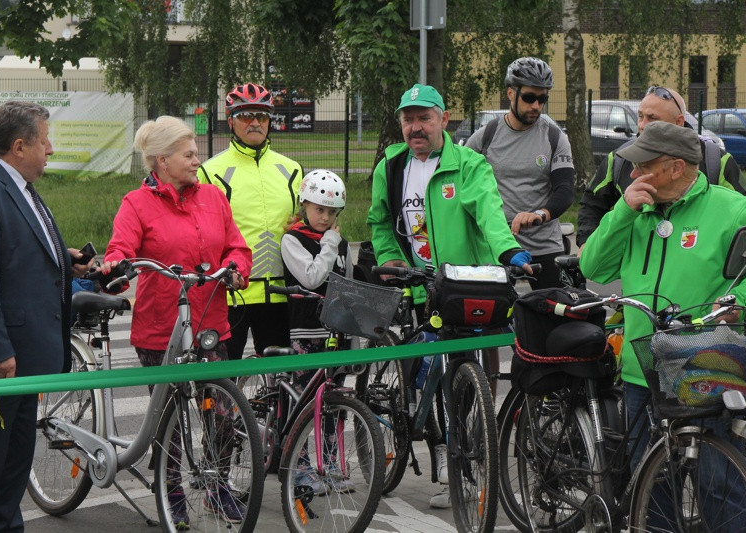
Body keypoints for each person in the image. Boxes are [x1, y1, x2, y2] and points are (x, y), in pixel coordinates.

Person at [579, 120, 746, 531]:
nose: (633, 174)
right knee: (653, 483)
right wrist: (622, 211)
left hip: (707, 365)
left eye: (644, 165)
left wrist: (741, 300)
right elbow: (592, 266)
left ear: (676, 167)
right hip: (640, 369)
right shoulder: (633, 210)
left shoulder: (733, 210)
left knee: (718, 484)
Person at [367, 83, 532, 509]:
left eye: (424, 118)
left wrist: (508, 250)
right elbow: (380, 222)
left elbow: (490, 214)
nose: (416, 127)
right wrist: (391, 259)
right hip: (419, 286)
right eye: (408, 119)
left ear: (443, 118)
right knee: (428, 376)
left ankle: (469, 456)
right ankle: (441, 455)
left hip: (466, 286)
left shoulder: (468, 165)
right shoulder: (392, 165)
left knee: (469, 379)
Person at [101, 116, 252, 528]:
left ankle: (218, 487)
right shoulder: (137, 203)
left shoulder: (214, 198)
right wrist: (118, 262)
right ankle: (171, 496)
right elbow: (122, 247)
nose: (197, 160)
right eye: (188, 154)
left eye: (196, 152)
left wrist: (237, 267)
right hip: (160, 329)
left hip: (209, 326)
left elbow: (236, 246)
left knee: (221, 416)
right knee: (168, 421)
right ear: (162, 161)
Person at [0, 101, 92, 531]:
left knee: (12, 468)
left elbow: (14, 254)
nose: (51, 149)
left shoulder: (17, 186)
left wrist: (64, 257)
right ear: (19, 146)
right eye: (44, 141)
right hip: (1, 366)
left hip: (26, 363)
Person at [197, 83, 303, 359]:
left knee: (281, 381)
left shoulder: (292, 170)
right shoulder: (210, 171)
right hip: (232, 295)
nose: (255, 122)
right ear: (231, 121)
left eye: (262, 116)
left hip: (279, 294)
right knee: (224, 381)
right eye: (245, 116)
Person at [577, 85, 746, 248]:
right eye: (640, 116)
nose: (642, 125)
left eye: (652, 118)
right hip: (642, 272)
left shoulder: (715, 160)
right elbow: (591, 204)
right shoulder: (620, 159)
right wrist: (586, 245)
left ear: (679, 121)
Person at [466, 56, 575, 290]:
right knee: (494, 322)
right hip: (499, 247)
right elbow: (462, 184)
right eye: (529, 97)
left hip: (545, 245)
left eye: (542, 98)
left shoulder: (555, 137)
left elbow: (565, 191)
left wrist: (539, 215)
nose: (536, 106)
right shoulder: (486, 137)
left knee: (557, 319)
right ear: (510, 94)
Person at [280, 169, 355, 495]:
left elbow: (348, 285)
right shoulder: (292, 240)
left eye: (331, 212)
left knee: (334, 402)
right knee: (305, 403)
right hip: (305, 333)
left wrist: (352, 336)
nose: (324, 217)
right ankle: (300, 467)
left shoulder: (339, 243)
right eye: (318, 209)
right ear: (304, 206)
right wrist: (328, 245)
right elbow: (311, 278)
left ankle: (331, 462)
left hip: (335, 332)